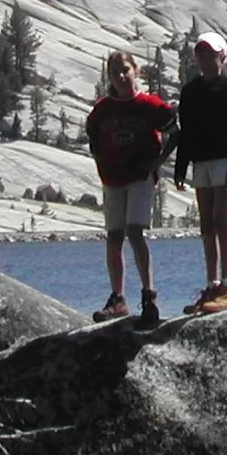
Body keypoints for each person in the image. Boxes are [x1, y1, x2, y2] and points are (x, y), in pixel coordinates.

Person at [84, 50, 177, 326]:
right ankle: (118, 298)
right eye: (115, 72)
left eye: (126, 70)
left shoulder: (150, 105)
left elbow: (175, 130)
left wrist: (158, 161)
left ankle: (149, 295)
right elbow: (93, 138)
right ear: (109, 77)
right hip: (113, 179)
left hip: (139, 177)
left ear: (136, 70)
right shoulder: (102, 110)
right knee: (114, 237)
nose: (121, 76)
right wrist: (102, 162)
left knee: (135, 233)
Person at [173, 32, 227, 314]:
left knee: (221, 221)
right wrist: (181, 168)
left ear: (222, 56)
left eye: (210, 53)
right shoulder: (190, 91)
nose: (205, 58)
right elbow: (186, 132)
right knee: (206, 224)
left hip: (224, 161)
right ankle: (211, 284)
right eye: (201, 53)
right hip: (201, 163)